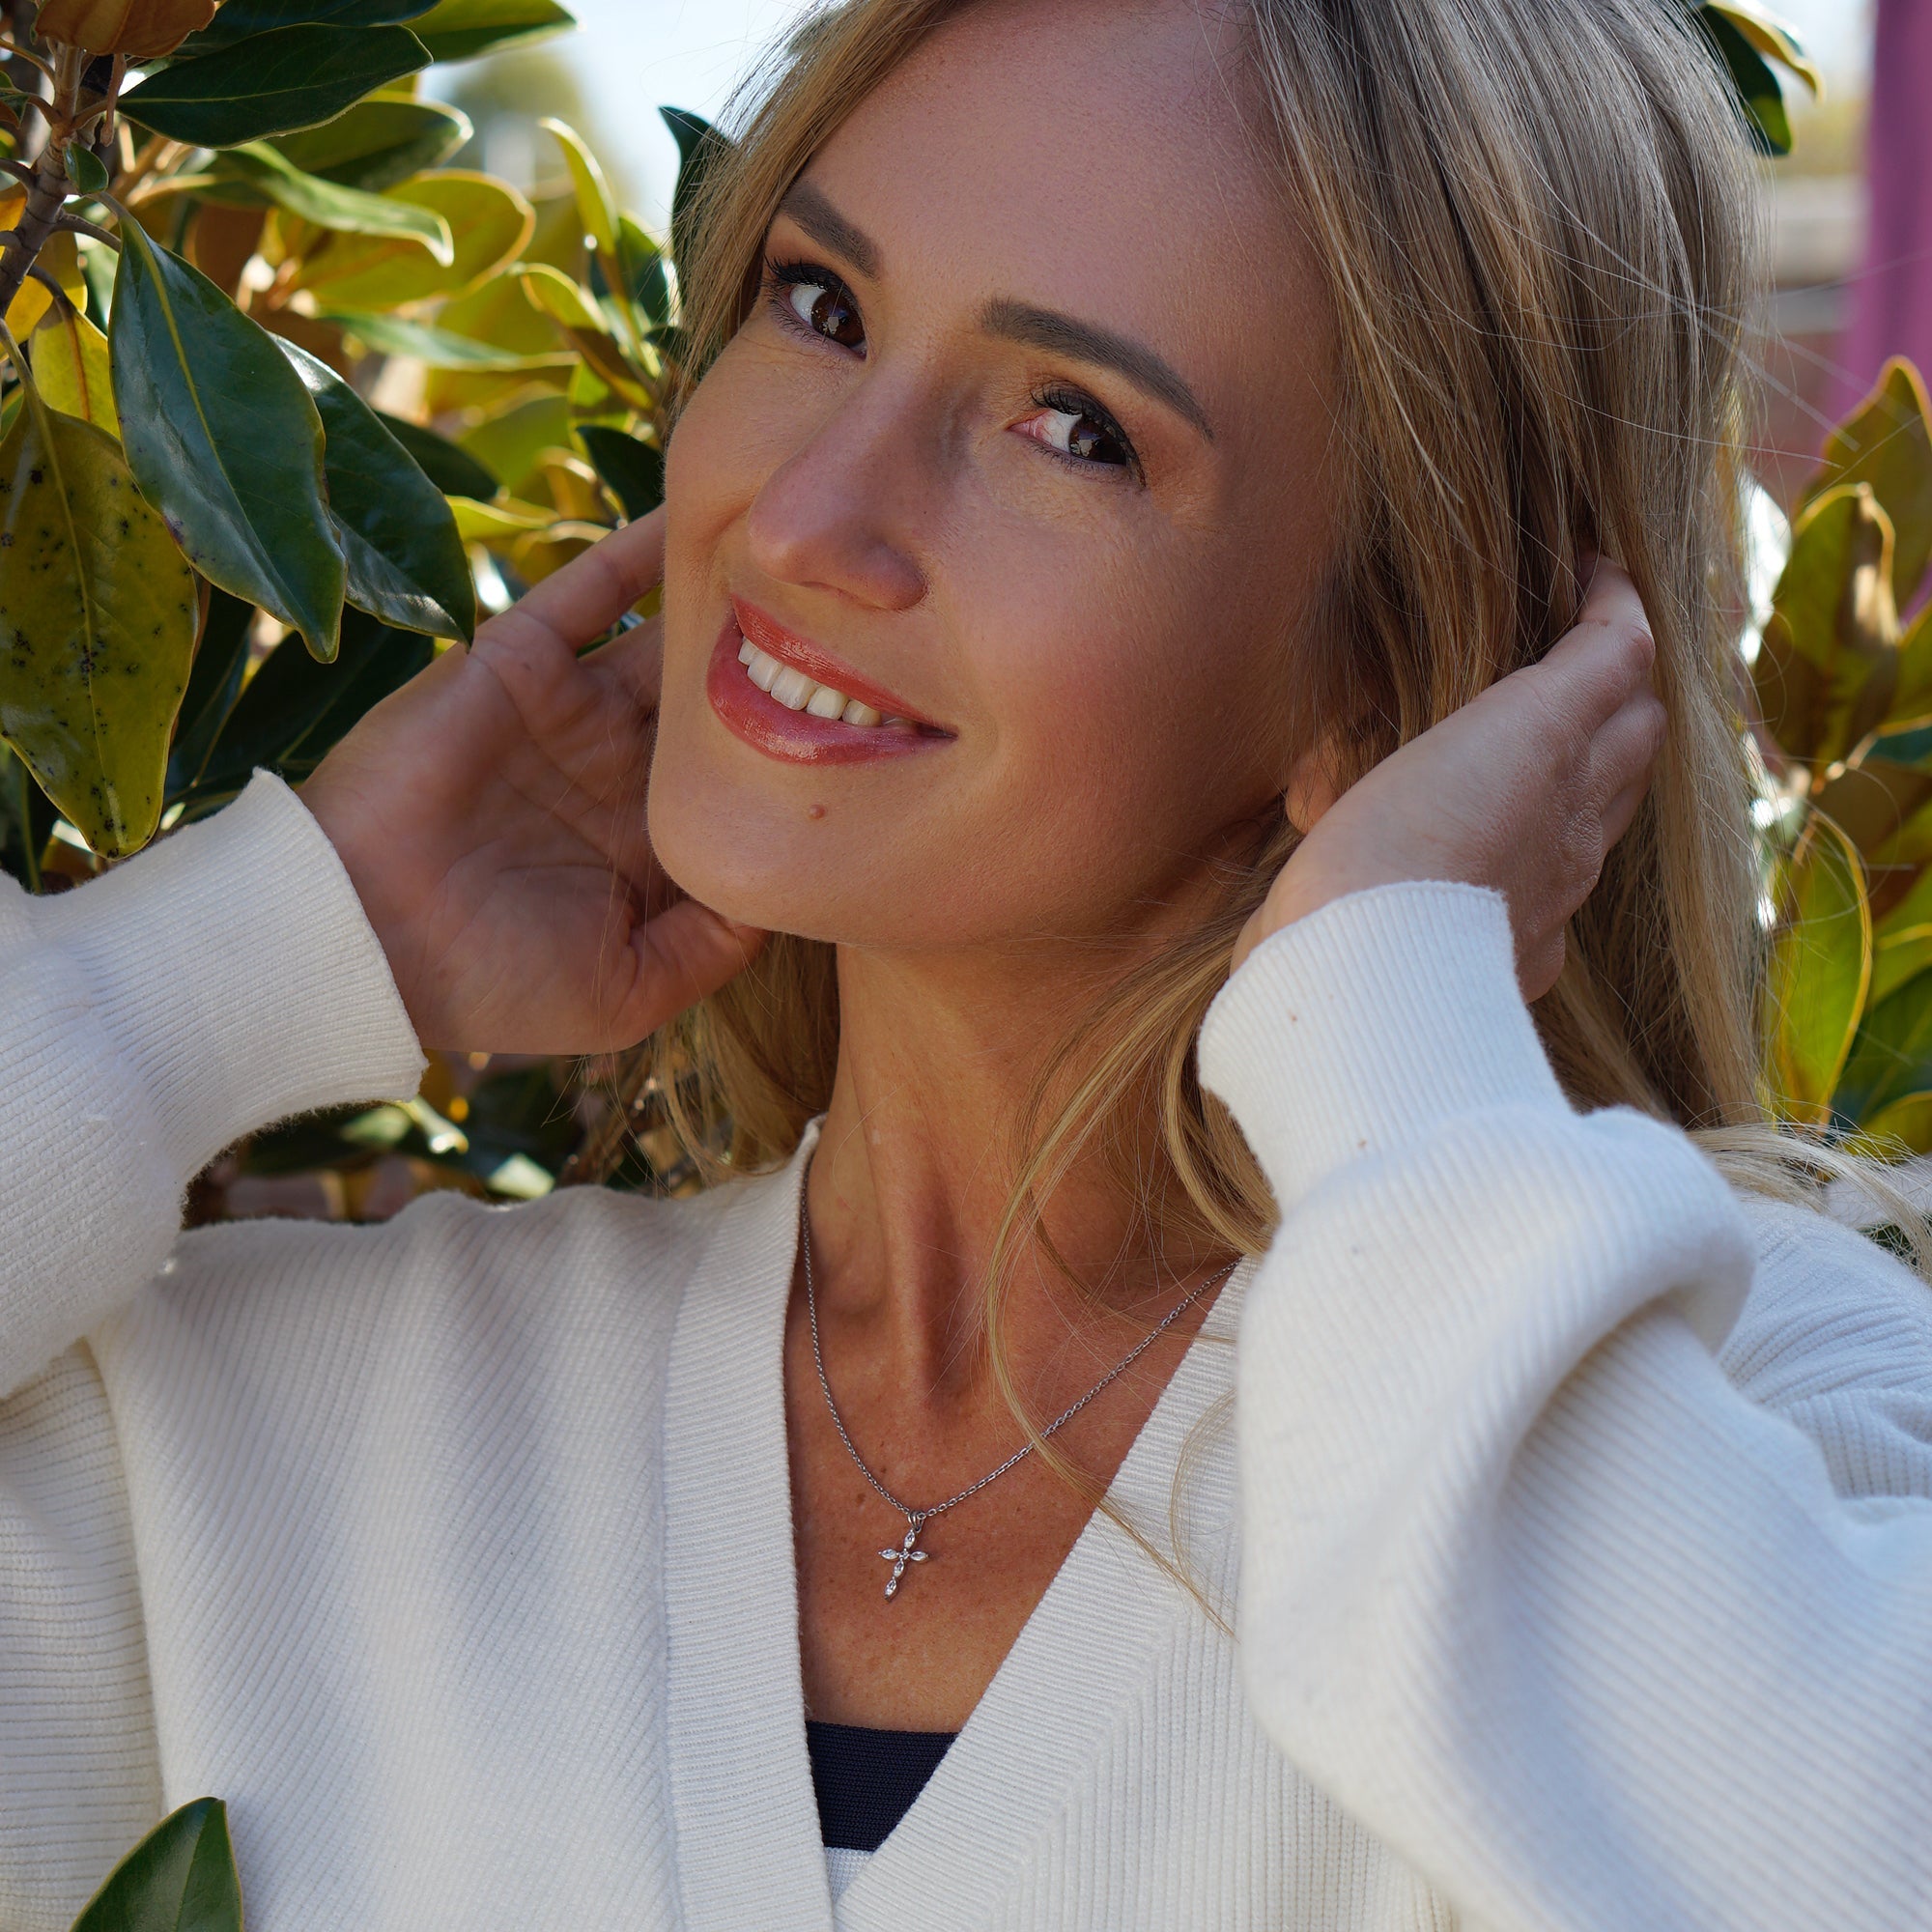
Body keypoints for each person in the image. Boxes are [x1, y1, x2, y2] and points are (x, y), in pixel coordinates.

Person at [4, 0, 1929, 1925]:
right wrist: (245, 965)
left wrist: (1385, 1011)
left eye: (1069, 427)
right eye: (821, 304)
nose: (811, 514)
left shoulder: (1762, 1422)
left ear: (1406, 654)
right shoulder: (239, 1449)